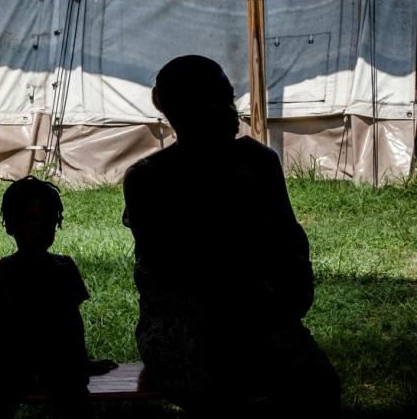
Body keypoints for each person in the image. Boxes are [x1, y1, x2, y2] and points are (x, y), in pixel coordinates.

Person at [122, 55, 340, 418]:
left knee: (318, 385)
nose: (230, 111)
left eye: (229, 98)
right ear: (181, 112)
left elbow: (291, 244)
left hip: (256, 316)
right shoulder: (149, 179)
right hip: (188, 329)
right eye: (216, 101)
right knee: (227, 391)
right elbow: (174, 273)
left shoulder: (258, 163)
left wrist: (290, 292)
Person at [0, 175, 116, 419]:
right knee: (1, 395)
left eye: (48, 221)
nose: (40, 229)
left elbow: (74, 324)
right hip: (14, 366)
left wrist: (83, 362)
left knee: (73, 396)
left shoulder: (65, 267)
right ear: (10, 225)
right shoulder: (0, 272)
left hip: (58, 364)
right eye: (30, 221)